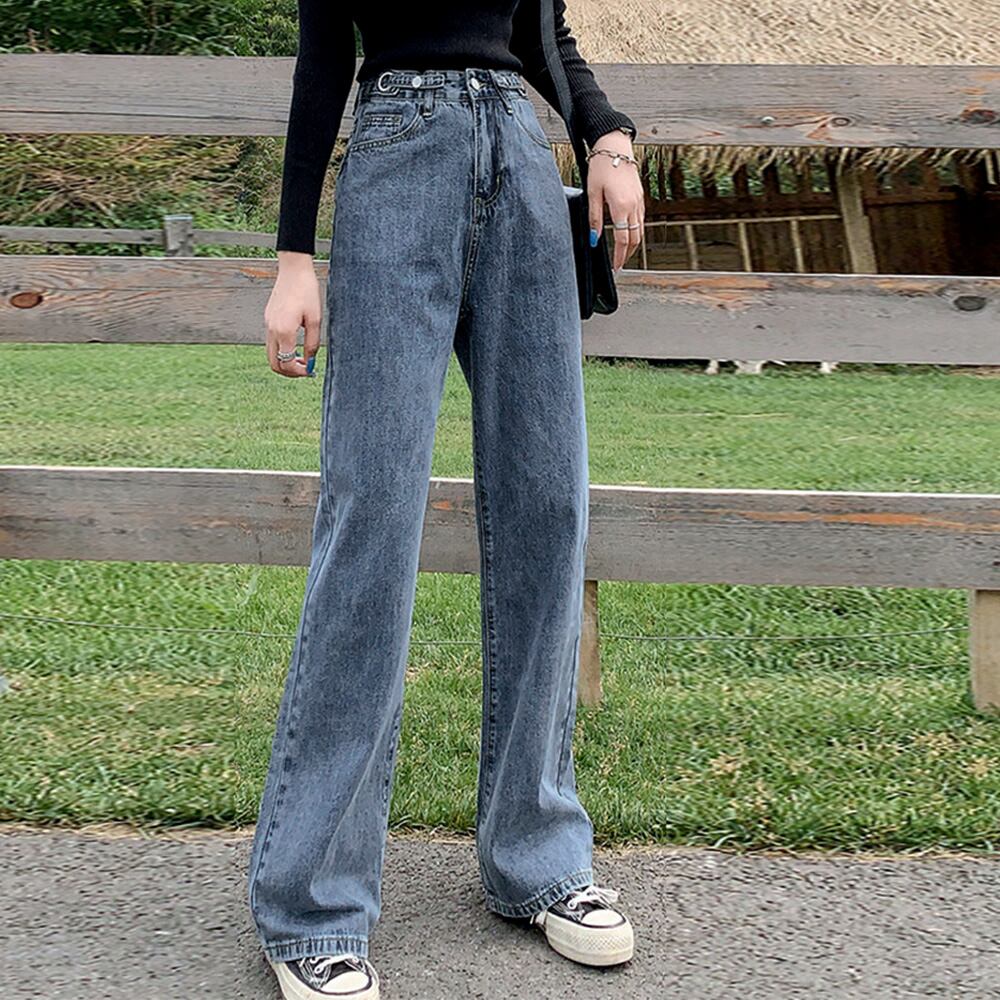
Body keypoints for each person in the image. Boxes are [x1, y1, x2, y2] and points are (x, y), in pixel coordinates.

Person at [248, 2, 645, 997]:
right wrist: (294, 257)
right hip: (398, 151)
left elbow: (544, 33)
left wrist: (607, 136)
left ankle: (539, 855)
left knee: (548, 508)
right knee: (371, 515)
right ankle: (312, 903)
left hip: (519, 152)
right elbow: (321, 56)